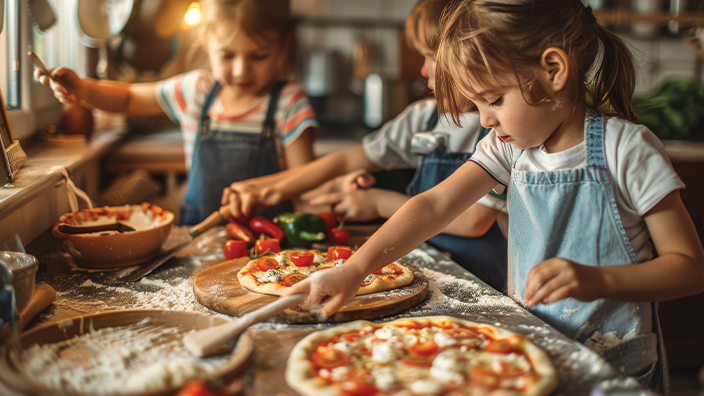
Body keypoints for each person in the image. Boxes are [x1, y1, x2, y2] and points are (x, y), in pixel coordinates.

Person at [286, 0, 704, 393]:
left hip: (615, 367)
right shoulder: (507, 146)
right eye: (477, 104)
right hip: (527, 353)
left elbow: (688, 267)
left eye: (494, 100)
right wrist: (355, 269)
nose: (485, 119)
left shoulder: (626, 149)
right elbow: (434, 205)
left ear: (553, 70)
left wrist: (595, 279)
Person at [221, 0, 509, 292]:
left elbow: (472, 221)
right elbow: (346, 161)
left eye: (431, 56)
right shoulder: (424, 118)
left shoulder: (503, 130)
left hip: (481, 283)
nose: (423, 70)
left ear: (470, 56)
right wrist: (266, 189)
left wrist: (377, 202)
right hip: (425, 274)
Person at [35, 0, 318, 225]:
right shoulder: (196, 90)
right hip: (197, 241)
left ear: (283, 47)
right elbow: (129, 98)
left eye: (259, 56)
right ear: (207, 42)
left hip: (270, 248)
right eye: (227, 55)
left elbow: (305, 180)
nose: (241, 69)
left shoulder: (288, 102)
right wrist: (84, 90)